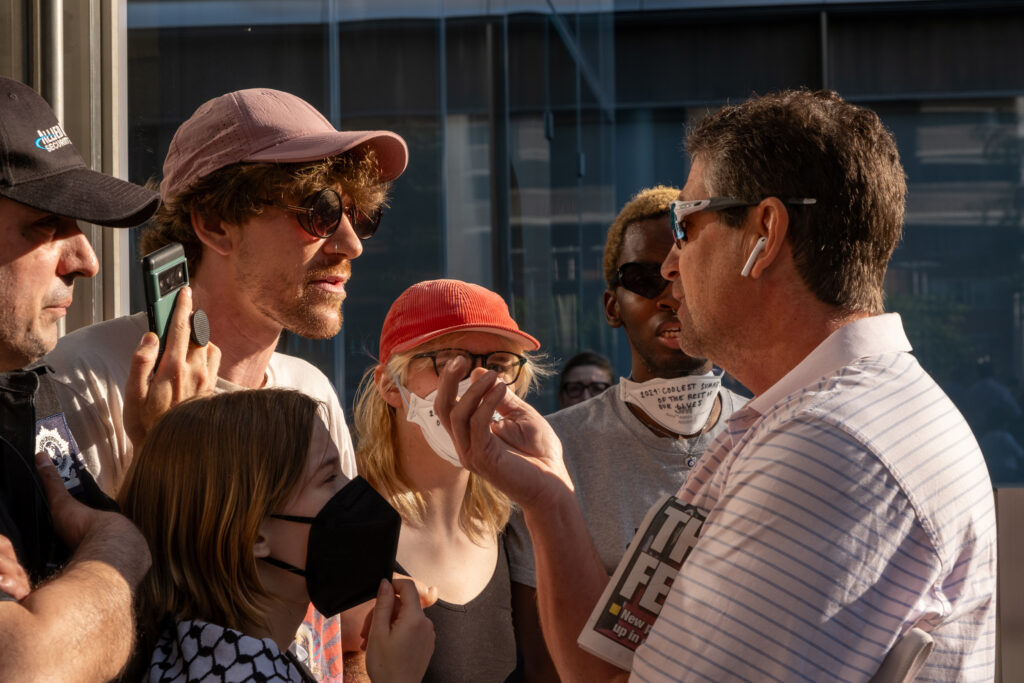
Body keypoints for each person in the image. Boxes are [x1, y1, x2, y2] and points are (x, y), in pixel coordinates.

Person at [437, 89, 996, 681]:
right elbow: (613, 672)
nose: (672, 267)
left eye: (686, 225)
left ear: (766, 233)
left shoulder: (827, 450)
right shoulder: (825, 416)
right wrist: (550, 496)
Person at [43, 87, 408, 679]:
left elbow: (339, 640)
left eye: (359, 215)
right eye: (318, 212)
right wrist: (163, 453)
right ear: (215, 222)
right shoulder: (76, 383)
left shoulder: (309, 392)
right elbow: (81, 641)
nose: (351, 244)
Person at [508, 186, 746, 680]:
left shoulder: (773, 429)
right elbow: (542, 658)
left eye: (687, 274)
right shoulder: (548, 451)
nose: (671, 296)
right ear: (613, 307)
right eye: (643, 278)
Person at [0, 76, 159, 680]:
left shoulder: (29, 396)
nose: (87, 260)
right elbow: (32, 665)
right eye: (46, 225)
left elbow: (150, 604)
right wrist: (117, 547)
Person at [118, 388, 435, 682]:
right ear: (254, 535)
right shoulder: (244, 673)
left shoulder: (200, 651)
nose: (351, 489)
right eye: (328, 478)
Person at [351, 279, 543, 682]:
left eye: (497, 364)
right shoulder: (344, 523)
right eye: (449, 359)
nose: (474, 382)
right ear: (390, 385)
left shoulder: (517, 524)